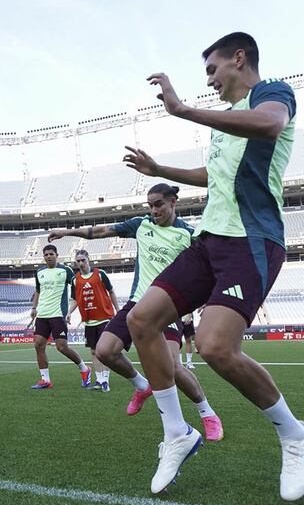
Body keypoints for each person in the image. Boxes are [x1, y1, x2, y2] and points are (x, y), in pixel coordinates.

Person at [125, 32, 304, 500]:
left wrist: (183, 110)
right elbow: (214, 176)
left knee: (214, 347)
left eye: (212, 70)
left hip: (252, 239)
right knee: (141, 320)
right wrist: (160, 171)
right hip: (210, 240)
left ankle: (296, 435)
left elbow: (271, 126)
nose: (209, 80)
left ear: (238, 58)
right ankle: (177, 433)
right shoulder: (226, 121)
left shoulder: (273, 93)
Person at [49, 184, 223, 443]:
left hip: (167, 307)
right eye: (150, 205)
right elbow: (101, 230)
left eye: (158, 205)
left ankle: (207, 413)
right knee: (106, 351)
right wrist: (68, 231)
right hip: (136, 303)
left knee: (173, 367)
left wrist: (208, 300)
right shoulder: (141, 224)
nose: (153, 210)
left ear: (173, 202)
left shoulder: (188, 235)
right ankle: (143, 386)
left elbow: (209, 269)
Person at [29, 244, 91, 389]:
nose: (48, 256)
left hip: (57, 313)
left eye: (51, 254)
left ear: (56, 255)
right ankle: (45, 380)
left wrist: (72, 309)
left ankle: (84, 368)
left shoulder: (66, 270)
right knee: (38, 344)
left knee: (62, 347)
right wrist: (34, 307)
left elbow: (77, 286)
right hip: (42, 314)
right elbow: (38, 291)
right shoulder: (39, 272)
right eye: (46, 255)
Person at [64, 249, 119, 391]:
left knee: (105, 351)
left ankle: (106, 380)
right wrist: (69, 312)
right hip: (89, 321)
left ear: (89, 260)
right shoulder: (75, 280)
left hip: (105, 318)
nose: (81, 263)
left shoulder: (100, 274)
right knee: (94, 351)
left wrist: (118, 310)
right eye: (78, 261)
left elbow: (111, 291)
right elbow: (76, 299)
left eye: (83, 260)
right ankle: (99, 380)